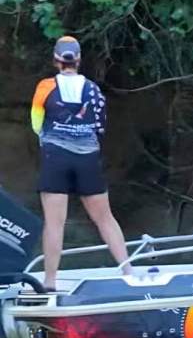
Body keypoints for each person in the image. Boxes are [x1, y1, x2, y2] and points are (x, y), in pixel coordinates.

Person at [31, 36, 131, 290]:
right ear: (78, 60)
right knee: (105, 218)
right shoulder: (93, 89)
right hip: (87, 158)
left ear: (56, 60)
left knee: (55, 223)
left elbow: (36, 124)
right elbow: (100, 126)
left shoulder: (45, 87)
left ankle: (50, 282)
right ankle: (129, 271)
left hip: (55, 157)